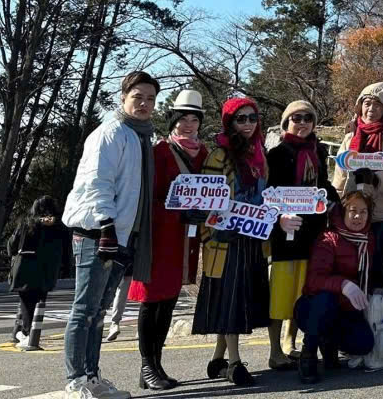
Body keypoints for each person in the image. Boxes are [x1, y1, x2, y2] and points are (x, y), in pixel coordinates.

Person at [62, 69, 161, 399]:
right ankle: (76, 380)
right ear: (123, 97)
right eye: (138, 97)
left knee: (99, 312)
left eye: (150, 98)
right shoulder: (111, 133)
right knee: (84, 310)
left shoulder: (141, 136)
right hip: (97, 233)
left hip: (121, 235)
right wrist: (105, 224)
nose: (144, 104)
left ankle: (92, 376)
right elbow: (97, 181)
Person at [127, 89, 208, 390]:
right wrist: (180, 213)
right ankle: (149, 365)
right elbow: (147, 198)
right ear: (173, 120)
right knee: (152, 302)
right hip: (159, 238)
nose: (188, 125)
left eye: (194, 119)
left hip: (185, 241)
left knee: (168, 302)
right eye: (182, 118)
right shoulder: (160, 152)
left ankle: (154, 365)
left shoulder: (204, 153)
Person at [193, 96, 271, 386]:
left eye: (253, 118)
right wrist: (208, 235)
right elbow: (205, 202)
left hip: (253, 239)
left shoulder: (260, 154)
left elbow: (266, 196)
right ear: (229, 122)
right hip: (225, 241)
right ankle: (235, 362)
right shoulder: (219, 156)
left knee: (237, 300)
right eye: (241, 119)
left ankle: (217, 357)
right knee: (231, 300)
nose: (248, 124)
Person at [264, 99, 331, 370]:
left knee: (304, 289)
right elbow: (268, 193)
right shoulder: (277, 153)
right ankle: (273, 349)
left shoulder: (320, 152)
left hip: (312, 230)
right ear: (286, 122)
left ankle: (290, 343)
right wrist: (279, 218)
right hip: (285, 231)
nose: (302, 123)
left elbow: (324, 185)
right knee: (280, 291)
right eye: (296, 118)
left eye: (307, 118)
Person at [294, 180, 378, 384]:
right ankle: (309, 352)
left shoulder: (368, 239)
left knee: (364, 344)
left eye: (363, 212)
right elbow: (314, 281)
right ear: (343, 211)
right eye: (353, 210)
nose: (358, 216)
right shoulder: (328, 238)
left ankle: (328, 341)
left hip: (346, 309)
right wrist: (344, 285)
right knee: (326, 299)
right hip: (313, 308)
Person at [331, 82, 383, 291]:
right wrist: (335, 202)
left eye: (377, 104)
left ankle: (376, 314)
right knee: (349, 266)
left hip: (382, 213)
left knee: (377, 267)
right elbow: (339, 175)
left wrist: (374, 181)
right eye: (367, 103)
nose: (371, 109)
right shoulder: (351, 135)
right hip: (353, 211)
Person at [8, 195, 66, 349]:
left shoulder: (27, 223)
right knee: (36, 303)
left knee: (26, 303)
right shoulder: (59, 227)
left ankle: (25, 334)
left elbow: (12, 246)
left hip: (25, 269)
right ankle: (22, 333)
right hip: (47, 271)